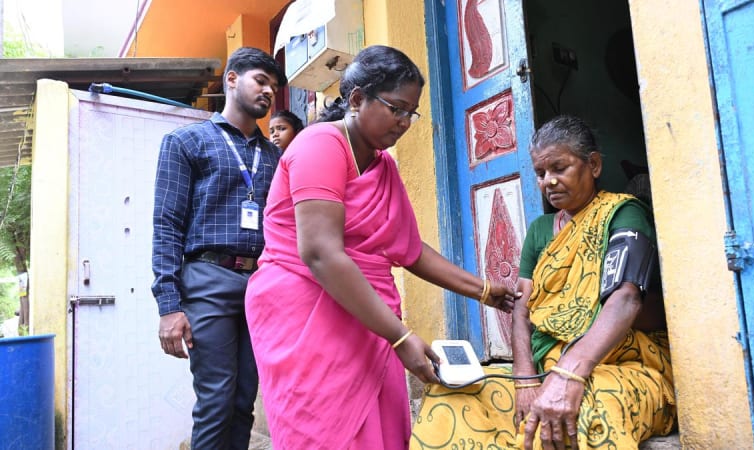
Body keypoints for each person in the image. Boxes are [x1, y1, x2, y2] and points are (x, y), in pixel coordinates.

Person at [244, 45, 519, 449]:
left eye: (412, 112)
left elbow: (408, 250)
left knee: (381, 432)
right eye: (397, 109)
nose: (405, 122)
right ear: (356, 100)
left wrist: (482, 291)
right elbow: (320, 253)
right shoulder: (319, 146)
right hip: (307, 315)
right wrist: (401, 337)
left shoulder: (381, 165)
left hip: (369, 318)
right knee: (324, 432)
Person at [410, 115, 675, 449]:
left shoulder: (623, 214)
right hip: (544, 368)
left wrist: (569, 373)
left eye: (559, 169)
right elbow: (522, 310)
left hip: (621, 362)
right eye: (540, 173)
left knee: (579, 412)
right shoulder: (540, 231)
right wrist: (523, 380)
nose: (548, 182)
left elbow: (625, 298)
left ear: (593, 165)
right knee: (454, 396)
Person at [151, 46, 286, 450]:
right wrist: (169, 306)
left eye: (274, 87)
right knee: (216, 399)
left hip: (261, 284)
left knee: (244, 400)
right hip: (208, 278)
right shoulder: (185, 141)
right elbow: (166, 224)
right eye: (260, 81)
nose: (268, 92)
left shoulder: (275, 155)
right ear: (232, 79)